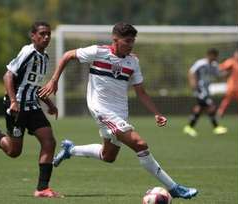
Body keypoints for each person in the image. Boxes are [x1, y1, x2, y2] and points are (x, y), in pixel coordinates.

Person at [39, 22, 198, 199]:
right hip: (101, 110)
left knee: (108, 155)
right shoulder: (98, 52)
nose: (130, 45)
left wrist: (156, 113)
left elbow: (141, 92)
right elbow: (68, 55)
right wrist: (54, 80)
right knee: (140, 144)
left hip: (120, 112)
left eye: (133, 42)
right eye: (127, 41)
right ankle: (174, 188)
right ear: (115, 40)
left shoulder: (133, 61)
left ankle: (71, 150)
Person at [0, 22, 62, 198]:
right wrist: (13, 101)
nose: (46, 37)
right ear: (33, 36)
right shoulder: (28, 52)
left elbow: (33, 85)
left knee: (49, 142)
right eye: (42, 34)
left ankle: (42, 188)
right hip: (17, 108)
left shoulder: (45, 57)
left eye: (48, 34)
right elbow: (8, 75)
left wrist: (50, 104)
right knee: (13, 151)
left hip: (32, 107)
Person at [183, 48, 228, 137]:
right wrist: (193, 84)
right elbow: (191, 72)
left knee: (200, 108)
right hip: (200, 89)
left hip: (207, 90)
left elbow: (218, 74)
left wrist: (227, 73)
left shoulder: (214, 65)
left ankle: (189, 127)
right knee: (210, 106)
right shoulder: (201, 63)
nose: (215, 58)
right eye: (213, 56)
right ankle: (216, 127)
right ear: (209, 55)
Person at [217, 49, 238, 117]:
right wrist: (223, 72)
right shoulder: (231, 62)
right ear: (234, 55)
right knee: (227, 100)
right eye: (237, 54)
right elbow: (221, 67)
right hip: (231, 85)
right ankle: (220, 112)